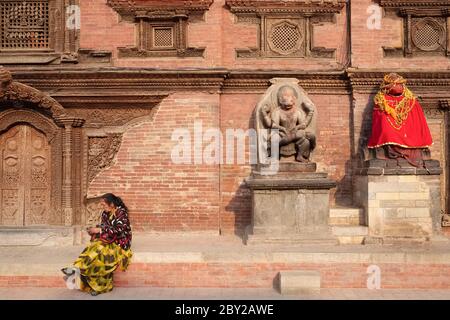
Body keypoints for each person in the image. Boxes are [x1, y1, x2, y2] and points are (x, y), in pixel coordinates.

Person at [61, 193, 133, 296]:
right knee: (93, 247)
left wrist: (99, 230)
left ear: (111, 204)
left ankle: (100, 285)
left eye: (104, 204)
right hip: (108, 239)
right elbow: (103, 227)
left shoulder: (121, 213)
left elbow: (118, 229)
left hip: (120, 242)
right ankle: (76, 268)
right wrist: (94, 231)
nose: (102, 207)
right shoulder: (105, 213)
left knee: (101, 255)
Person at [367, 73, 433, 167]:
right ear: (389, 86)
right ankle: (393, 152)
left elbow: (418, 120)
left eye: (401, 84)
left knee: (412, 132)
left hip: (408, 129)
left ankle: (406, 151)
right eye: (397, 84)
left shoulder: (410, 100)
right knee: (387, 131)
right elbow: (379, 118)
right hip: (391, 128)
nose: (400, 86)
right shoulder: (381, 100)